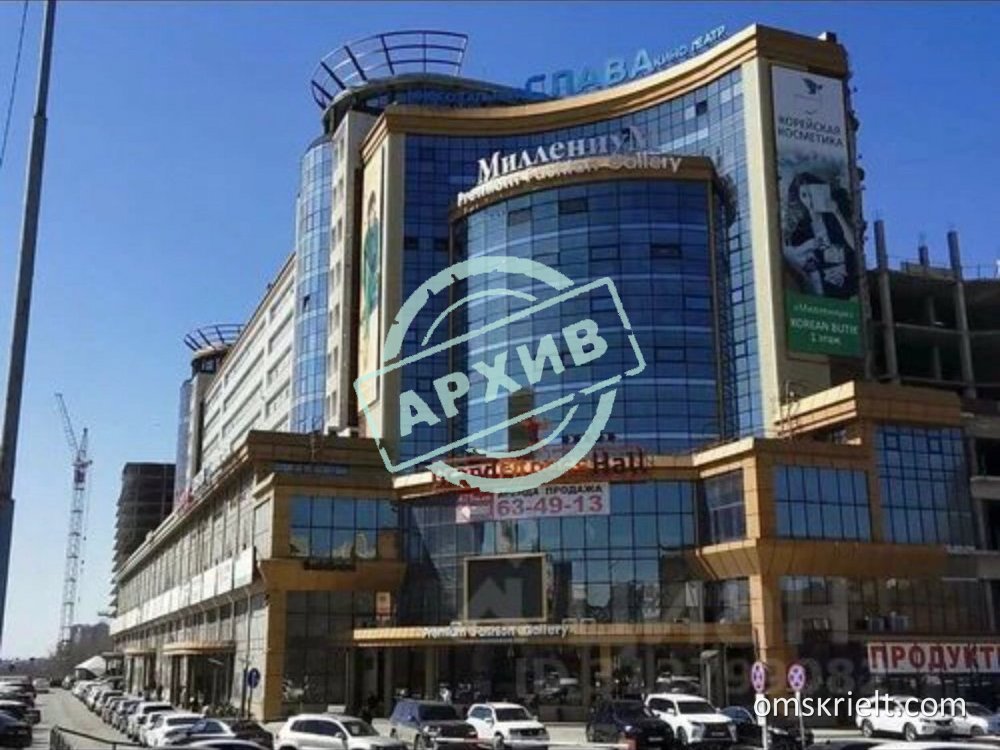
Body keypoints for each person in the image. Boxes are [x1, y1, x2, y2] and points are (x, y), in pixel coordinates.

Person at [782, 171, 856, 299]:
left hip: (846, 283)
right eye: (804, 195)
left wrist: (837, 213)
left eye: (812, 192)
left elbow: (854, 246)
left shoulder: (833, 217)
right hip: (822, 290)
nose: (809, 200)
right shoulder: (800, 229)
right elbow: (796, 260)